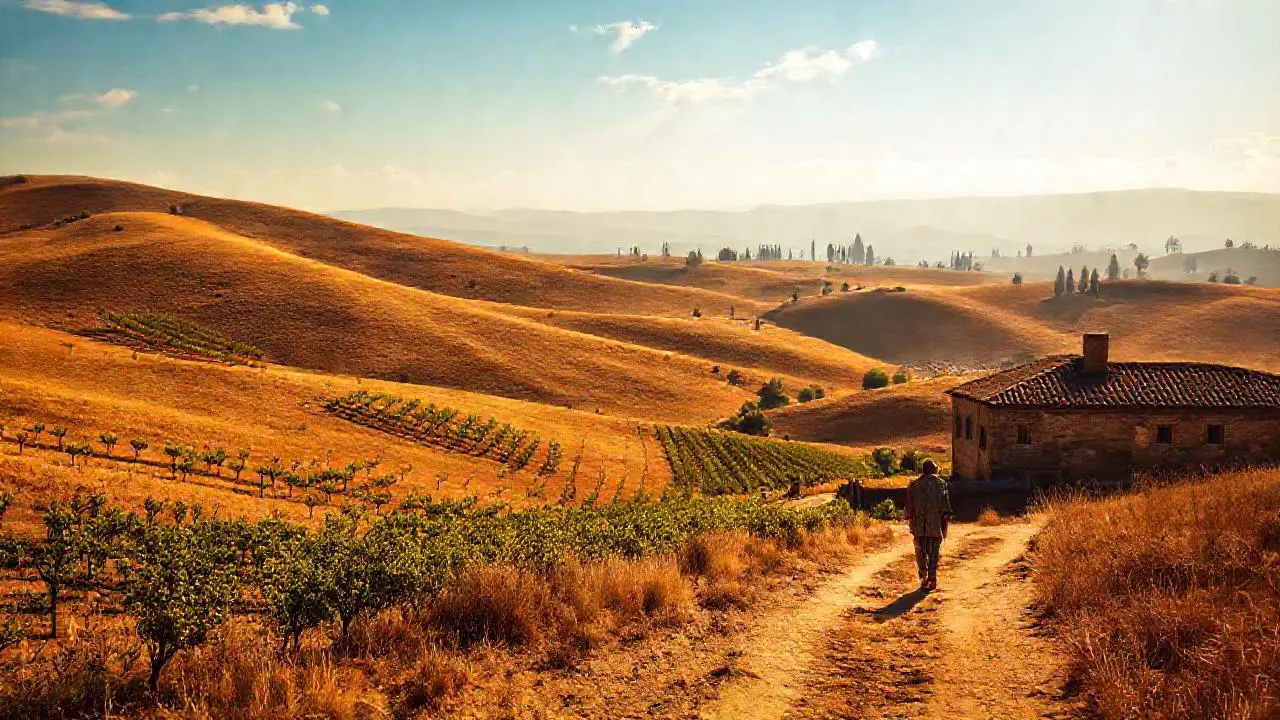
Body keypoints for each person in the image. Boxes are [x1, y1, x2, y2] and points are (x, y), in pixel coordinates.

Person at [904, 459, 952, 591]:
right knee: (934, 554)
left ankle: (923, 578)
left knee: (920, 552)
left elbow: (908, 507)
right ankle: (932, 579)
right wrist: (944, 527)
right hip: (935, 526)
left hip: (918, 526)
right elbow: (945, 509)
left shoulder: (914, 485)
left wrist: (911, 522)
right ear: (935, 470)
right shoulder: (941, 484)